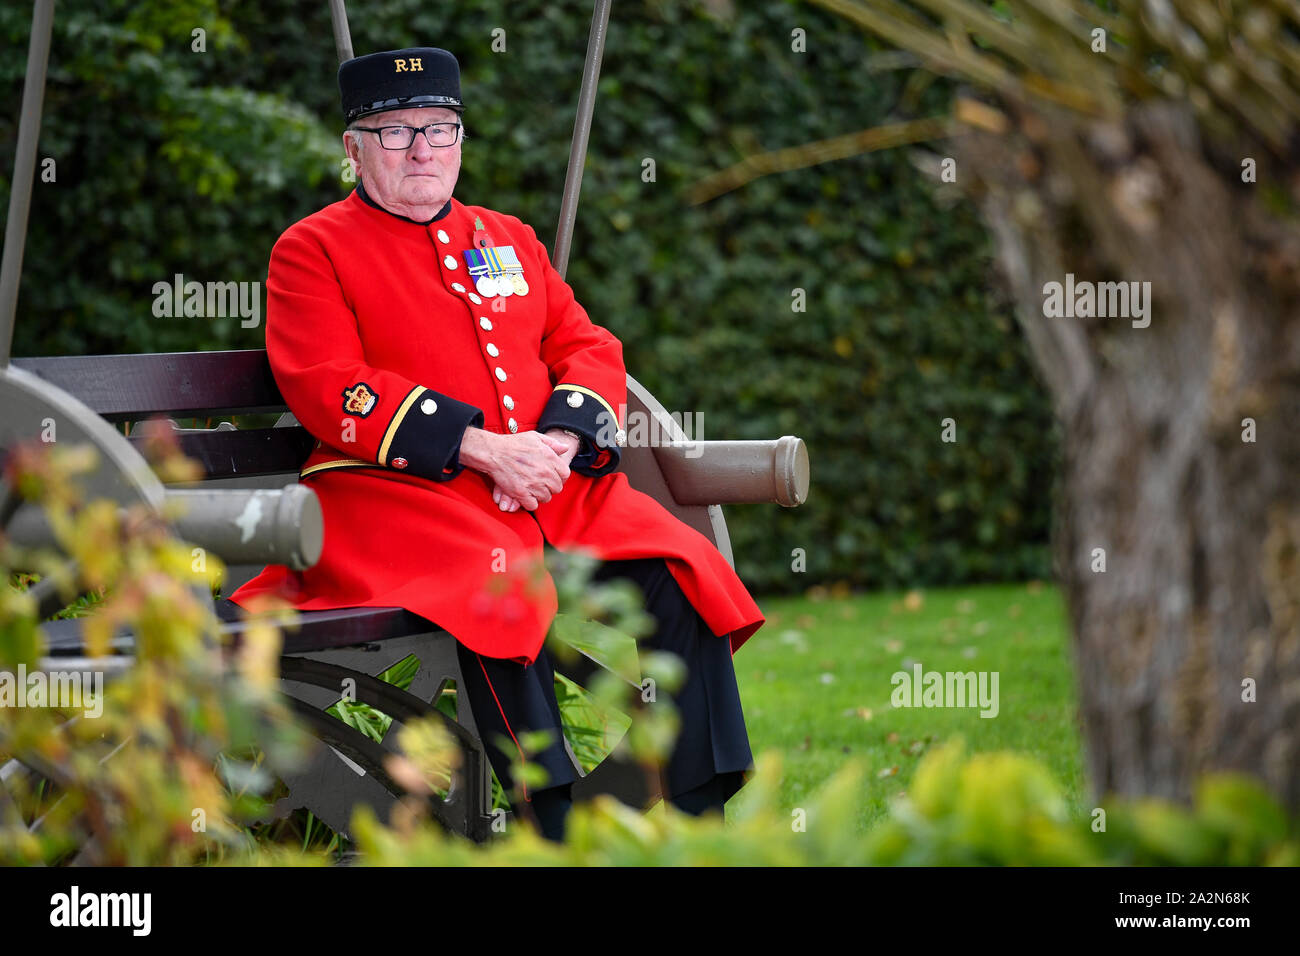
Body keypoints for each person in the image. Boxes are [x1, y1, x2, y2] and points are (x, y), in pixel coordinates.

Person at [229, 47, 765, 842]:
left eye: (440, 130)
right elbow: (330, 382)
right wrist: (481, 449)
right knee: (495, 580)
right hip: (399, 495)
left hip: (548, 487)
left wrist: (555, 441)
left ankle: (701, 819)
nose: (422, 150)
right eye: (396, 132)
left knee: (676, 570)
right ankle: (540, 826)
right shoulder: (312, 248)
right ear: (354, 148)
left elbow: (586, 345)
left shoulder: (507, 236)